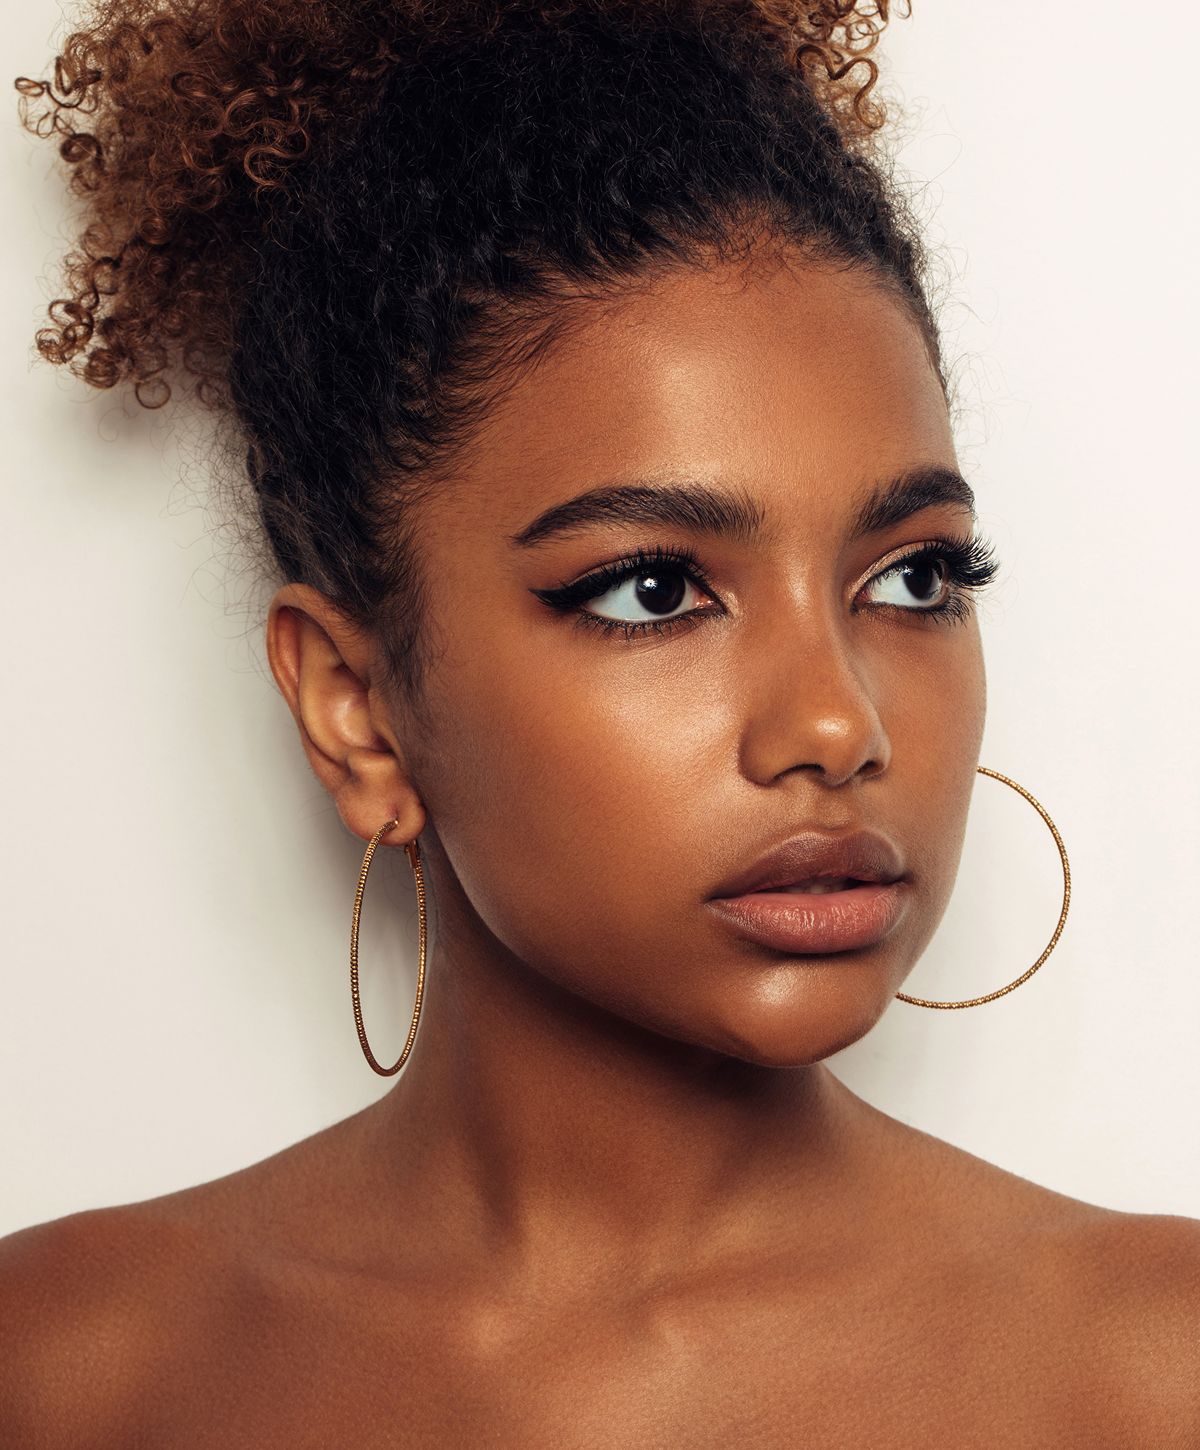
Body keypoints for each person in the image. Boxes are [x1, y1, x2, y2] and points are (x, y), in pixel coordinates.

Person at [2, 0, 1197, 1443]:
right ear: (356, 711)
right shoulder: (66, 1369)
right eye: (655, 589)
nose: (838, 722)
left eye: (914, 576)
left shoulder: (1158, 1371)